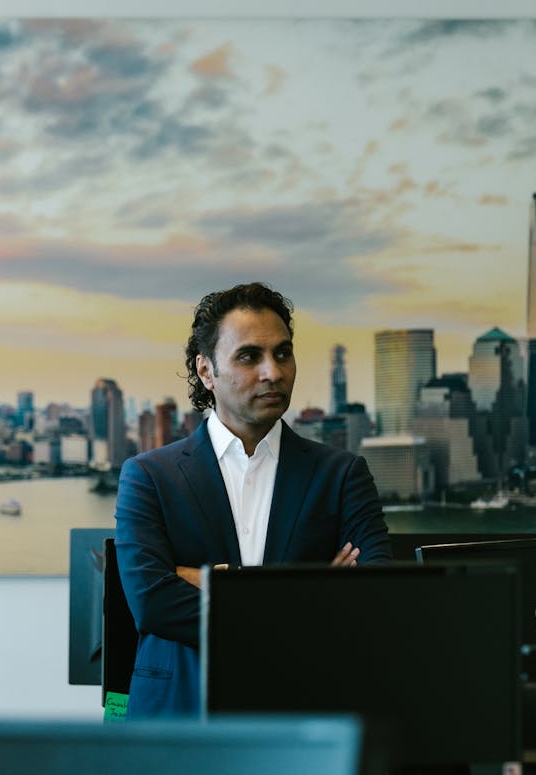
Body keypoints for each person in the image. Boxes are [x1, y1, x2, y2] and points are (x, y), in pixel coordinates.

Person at [113, 282, 392, 717]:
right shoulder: (149, 476)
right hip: (180, 719)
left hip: (305, 714)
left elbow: (377, 598)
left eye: (283, 353)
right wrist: (307, 596)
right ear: (207, 372)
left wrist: (223, 585)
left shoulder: (341, 474)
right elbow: (153, 604)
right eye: (249, 357)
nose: (273, 372)